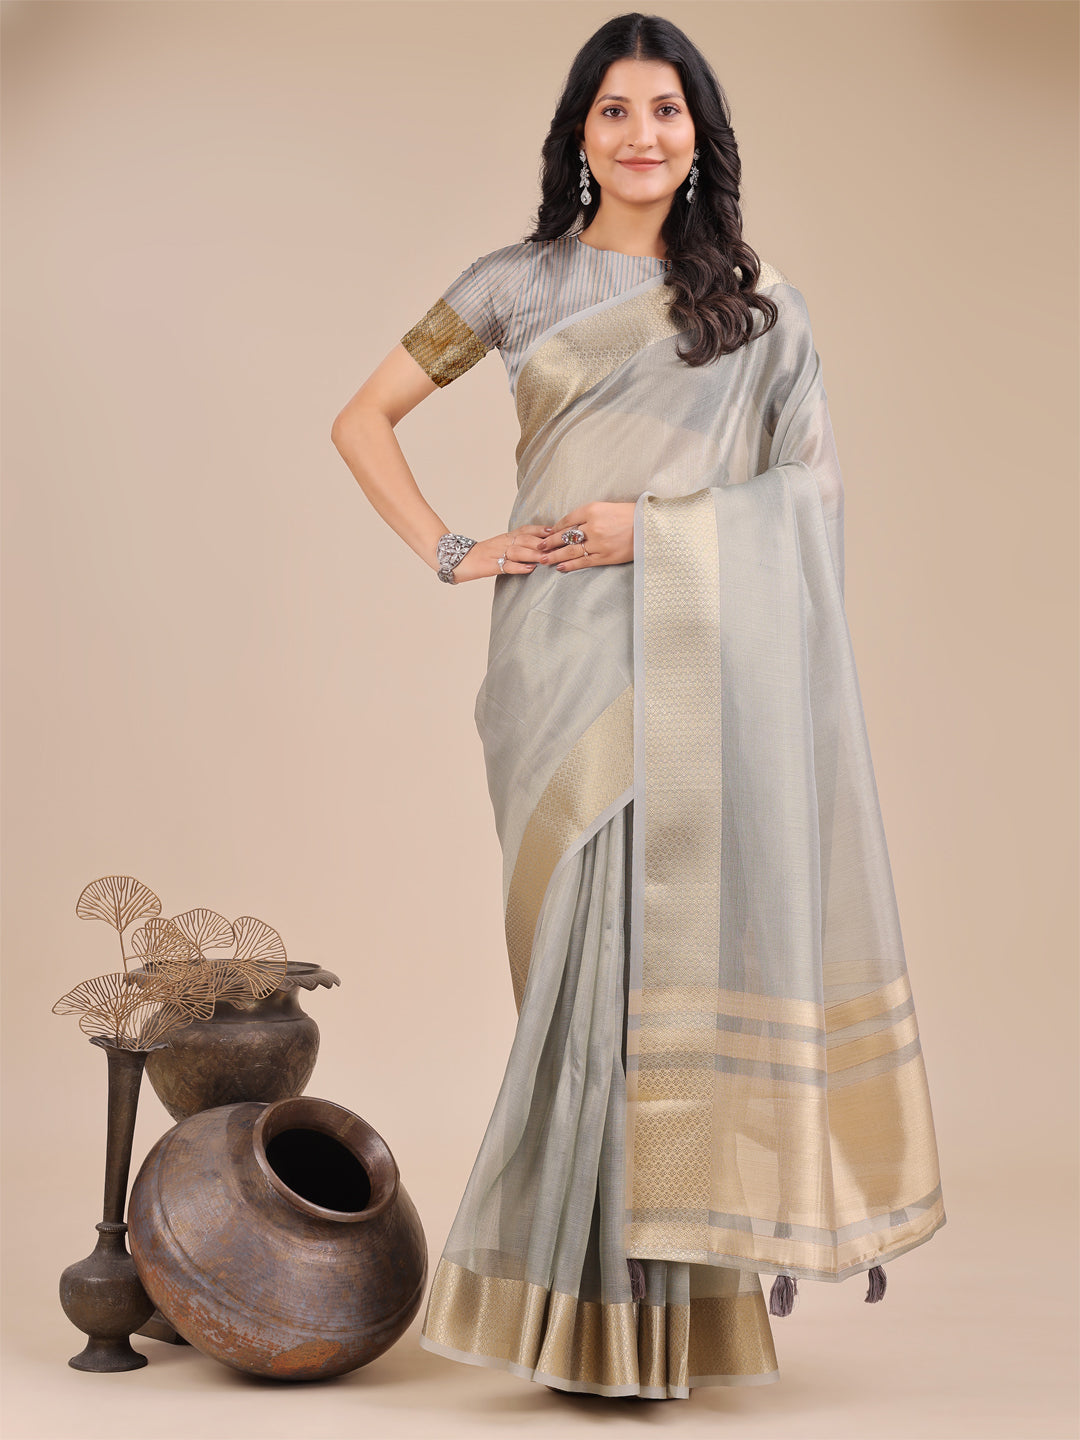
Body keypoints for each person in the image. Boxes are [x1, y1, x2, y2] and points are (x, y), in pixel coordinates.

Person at [331, 10, 945, 1403]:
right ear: (580, 133)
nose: (642, 134)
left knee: (659, 974)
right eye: (615, 110)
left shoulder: (758, 306)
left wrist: (656, 534)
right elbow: (361, 418)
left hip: (696, 660)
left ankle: (652, 1324)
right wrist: (452, 547)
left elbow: (810, 503)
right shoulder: (513, 283)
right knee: (575, 972)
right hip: (557, 663)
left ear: (699, 135)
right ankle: (581, 1312)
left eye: (666, 110)